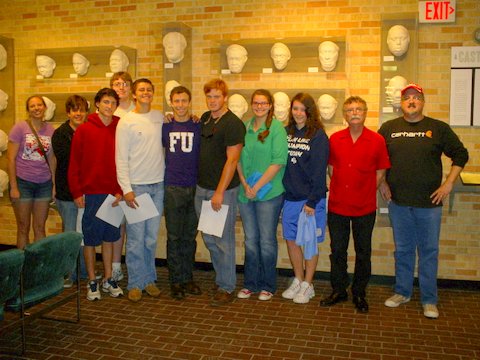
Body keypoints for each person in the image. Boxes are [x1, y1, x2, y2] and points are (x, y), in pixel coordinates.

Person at [379, 83, 469, 319]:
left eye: (416, 98)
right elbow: (377, 159)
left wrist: (448, 183)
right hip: (398, 202)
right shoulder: (389, 128)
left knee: (428, 251)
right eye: (407, 97)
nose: (411, 101)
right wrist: (382, 183)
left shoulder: (437, 128)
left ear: (422, 101)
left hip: (429, 204)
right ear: (401, 102)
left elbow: (461, 154)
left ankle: (429, 299)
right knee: (404, 250)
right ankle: (402, 292)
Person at [320, 96, 391, 313]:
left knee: (363, 252)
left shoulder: (377, 140)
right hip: (338, 205)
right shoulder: (335, 139)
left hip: (364, 205)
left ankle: (359, 292)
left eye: (359, 108)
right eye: (350, 109)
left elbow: (381, 171)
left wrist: (367, 188)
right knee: (337, 250)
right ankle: (339, 289)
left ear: (365, 112)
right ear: (345, 114)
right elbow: (331, 168)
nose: (355, 112)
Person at [68, 88, 124, 301]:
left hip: (113, 195)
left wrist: (120, 190)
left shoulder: (121, 127)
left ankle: (108, 278)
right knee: (90, 240)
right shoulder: (83, 130)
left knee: (110, 238)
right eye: (106, 102)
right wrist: (77, 191)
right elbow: (74, 164)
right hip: (90, 194)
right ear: (98, 104)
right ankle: (92, 280)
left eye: (113, 103)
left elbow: (125, 161)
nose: (109, 106)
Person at [195, 79, 245, 306]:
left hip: (221, 192)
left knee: (223, 240)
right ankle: (221, 277)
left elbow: (232, 161)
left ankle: (227, 286)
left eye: (217, 96)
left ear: (225, 97)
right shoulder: (205, 118)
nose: (213, 100)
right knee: (209, 237)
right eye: (209, 96)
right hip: (201, 188)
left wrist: (219, 193)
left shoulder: (233, 124)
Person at [236, 89, 288, 301]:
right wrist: (244, 184)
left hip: (269, 193)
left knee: (266, 240)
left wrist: (256, 187)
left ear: (270, 106)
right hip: (246, 193)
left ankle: (268, 285)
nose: (259, 106)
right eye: (256, 103)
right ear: (251, 104)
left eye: (263, 103)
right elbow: (236, 159)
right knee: (250, 240)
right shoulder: (245, 128)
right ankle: (250, 284)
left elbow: (278, 161)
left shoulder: (277, 128)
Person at [116, 79, 165, 302]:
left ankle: (149, 280)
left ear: (153, 94)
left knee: (150, 239)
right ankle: (135, 283)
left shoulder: (159, 117)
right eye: (141, 90)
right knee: (135, 239)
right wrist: (127, 189)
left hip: (158, 186)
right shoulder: (126, 122)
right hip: (137, 187)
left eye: (149, 90)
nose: (145, 93)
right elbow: (121, 158)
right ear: (134, 95)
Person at [281, 93, 328, 304]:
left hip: (310, 200)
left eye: (302, 109)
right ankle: (298, 280)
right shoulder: (286, 132)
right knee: (291, 241)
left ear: (309, 112)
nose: (298, 113)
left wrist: (312, 201)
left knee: (309, 243)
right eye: (295, 108)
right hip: (290, 198)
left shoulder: (318, 136)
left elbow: (319, 171)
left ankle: (309, 284)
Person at [162, 85, 202, 300]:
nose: (180, 105)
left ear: (189, 102)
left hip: (194, 188)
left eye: (183, 101)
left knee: (190, 237)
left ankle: (187, 277)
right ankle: (175, 280)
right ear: (171, 102)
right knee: (174, 237)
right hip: (173, 188)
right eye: (176, 101)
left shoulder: (198, 125)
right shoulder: (165, 126)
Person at [7, 95, 55, 249]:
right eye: (32, 106)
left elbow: (52, 159)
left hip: (44, 184)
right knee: (23, 227)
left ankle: (38, 267)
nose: (36, 108)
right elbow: (10, 158)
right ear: (28, 110)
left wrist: (53, 184)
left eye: (39, 105)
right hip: (23, 183)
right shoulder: (19, 128)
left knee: (40, 227)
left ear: (44, 108)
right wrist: (14, 187)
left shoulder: (50, 130)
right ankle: (21, 267)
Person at [52, 95, 90, 286]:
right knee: (70, 234)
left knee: (81, 234)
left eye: (82, 110)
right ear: (68, 113)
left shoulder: (88, 131)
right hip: (68, 193)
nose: (78, 113)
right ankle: (68, 274)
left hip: (85, 191)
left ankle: (82, 272)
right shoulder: (60, 134)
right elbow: (69, 164)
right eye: (74, 110)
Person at [110, 71, 136, 281]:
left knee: (135, 224)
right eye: (117, 84)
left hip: (136, 174)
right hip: (114, 173)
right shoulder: (109, 111)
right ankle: (116, 266)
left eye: (125, 84)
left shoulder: (140, 110)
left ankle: (137, 268)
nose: (121, 87)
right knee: (116, 223)